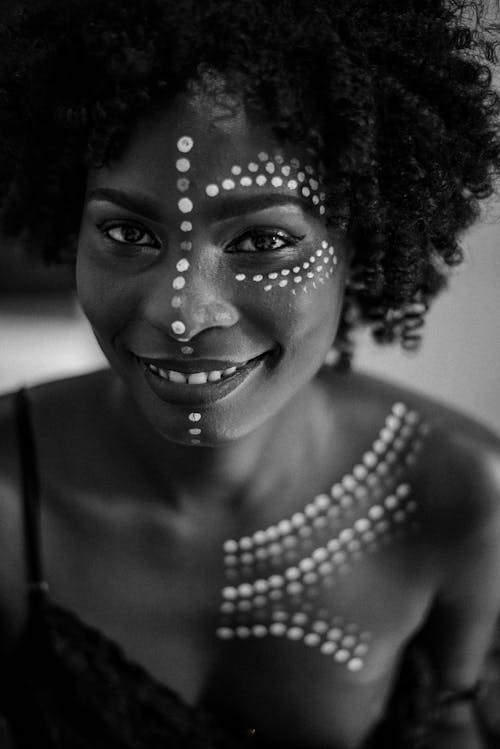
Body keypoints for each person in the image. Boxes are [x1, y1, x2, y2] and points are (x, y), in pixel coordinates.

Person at [1, 0, 500, 747]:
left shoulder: (460, 494)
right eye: (127, 232)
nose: (184, 311)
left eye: (264, 239)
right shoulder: (7, 495)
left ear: (359, 241)